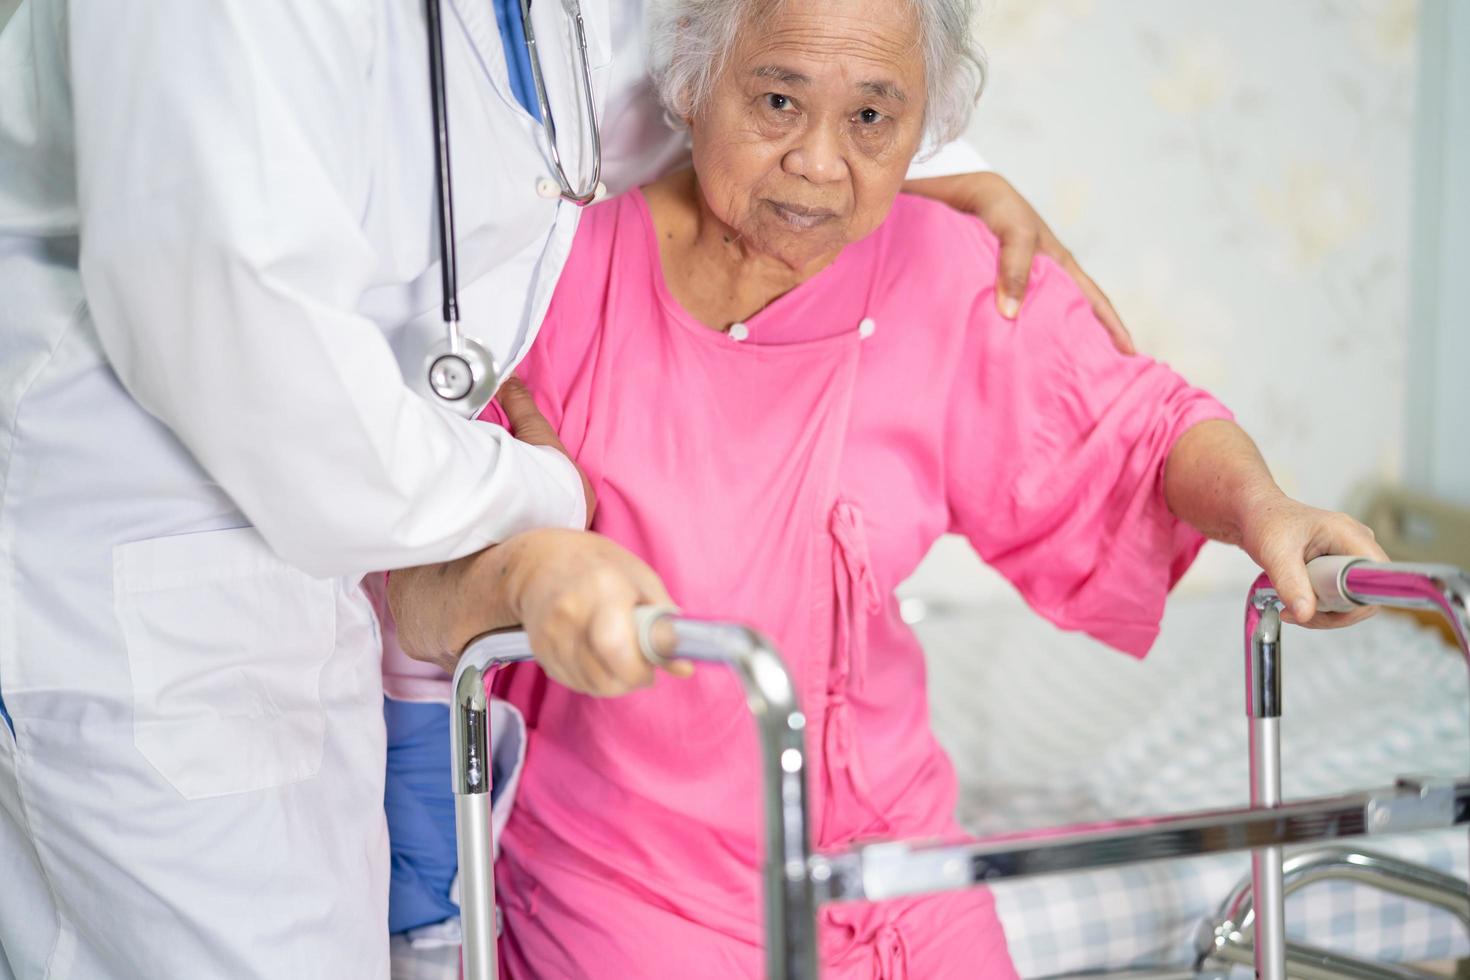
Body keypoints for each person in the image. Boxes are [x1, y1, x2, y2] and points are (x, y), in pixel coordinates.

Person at [0, 0, 1130, 976]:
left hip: (353, 548)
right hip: (148, 539)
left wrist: (923, 155)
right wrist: (534, 505)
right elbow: (221, 316)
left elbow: (682, 59)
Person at [385, 0, 1389, 975]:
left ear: (929, 124)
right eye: (778, 102)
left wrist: (1266, 508)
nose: (822, 163)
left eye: (872, 116)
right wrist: (528, 576)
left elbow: (1141, 429)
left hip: (900, 874)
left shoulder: (942, 267)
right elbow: (413, 590)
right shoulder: (555, 287)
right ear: (692, 83)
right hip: (633, 882)